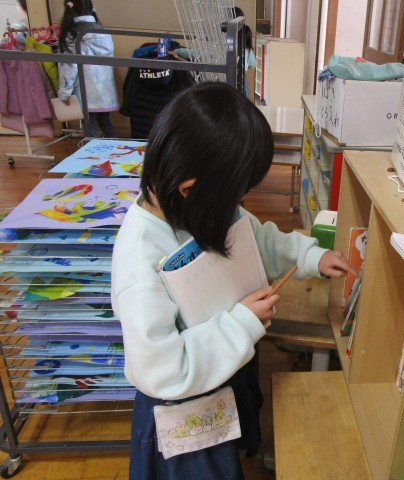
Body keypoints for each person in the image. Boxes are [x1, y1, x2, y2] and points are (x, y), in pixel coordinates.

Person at [111, 81, 354, 479]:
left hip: (227, 366)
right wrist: (241, 323)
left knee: (236, 445)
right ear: (190, 190)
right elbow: (164, 371)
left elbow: (256, 239)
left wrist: (311, 256)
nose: (238, 208)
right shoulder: (140, 263)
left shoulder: (203, 208)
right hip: (186, 413)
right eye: (235, 197)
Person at [57, 0, 118, 138]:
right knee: (105, 122)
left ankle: (91, 151)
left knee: (89, 126)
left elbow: (69, 67)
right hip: (105, 91)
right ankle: (116, 148)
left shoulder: (73, 34)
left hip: (86, 91)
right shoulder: (102, 31)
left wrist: (65, 93)